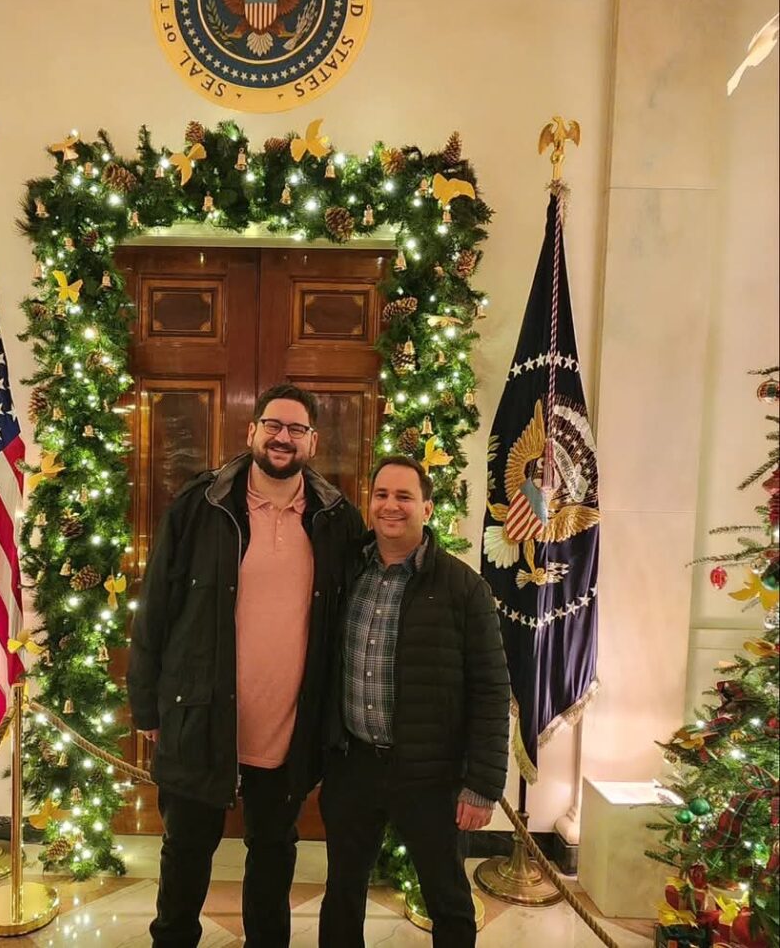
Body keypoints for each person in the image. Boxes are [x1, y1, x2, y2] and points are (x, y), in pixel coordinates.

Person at [127, 383, 366, 948]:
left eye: (296, 430)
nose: (283, 438)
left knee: (274, 855)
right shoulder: (200, 506)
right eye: (273, 426)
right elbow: (155, 605)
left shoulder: (337, 520)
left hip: (289, 729)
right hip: (200, 717)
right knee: (185, 853)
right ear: (252, 431)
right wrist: (147, 703)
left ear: (313, 441)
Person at [319, 455, 511, 948]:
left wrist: (482, 786)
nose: (391, 506)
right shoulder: (346, 574)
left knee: (447, 899)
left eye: (404, 496)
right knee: (342, 893)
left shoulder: (463, 587)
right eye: (381, 495)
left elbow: (491, 688)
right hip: (353, 767)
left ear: (427, 507)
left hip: (431, 775)